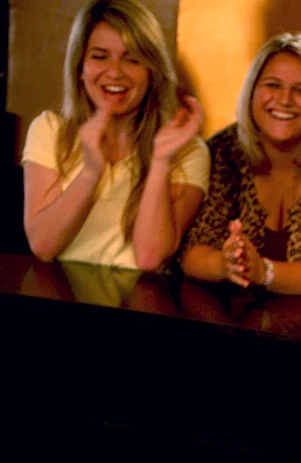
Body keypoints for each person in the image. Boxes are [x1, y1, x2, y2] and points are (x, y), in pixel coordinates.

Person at [181, 34, 301, 296]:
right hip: (228, 320)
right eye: (272, 85)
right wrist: (224, 263)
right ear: (252, 90)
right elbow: (191, 252)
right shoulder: (224, 150)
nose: (284, 100)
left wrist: (264, 272)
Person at [22, 0, 207, 271]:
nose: (115, 72)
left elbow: (149, 258)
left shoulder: (189, 151)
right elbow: (43, 245)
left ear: (151, 71)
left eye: (132, 59)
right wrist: (91, 172)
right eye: (100, 56)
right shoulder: (49, 129)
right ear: (80, 67)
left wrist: (161, 162)